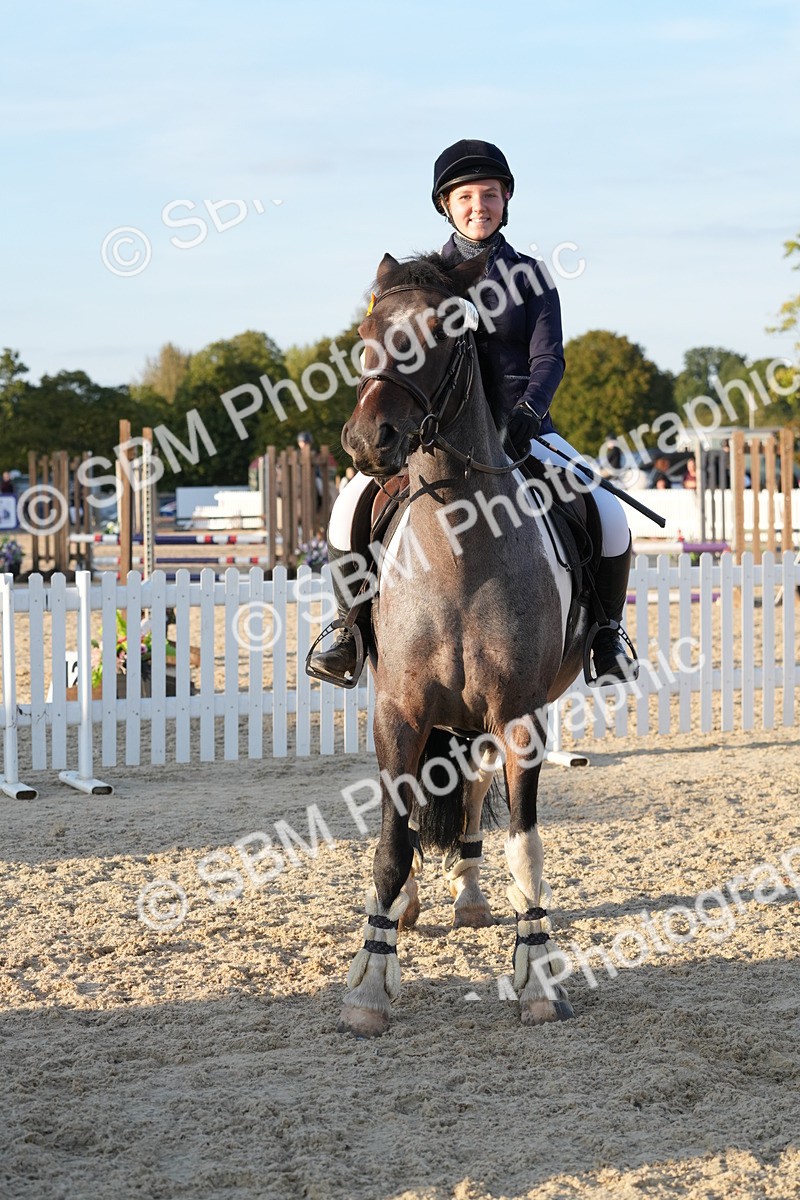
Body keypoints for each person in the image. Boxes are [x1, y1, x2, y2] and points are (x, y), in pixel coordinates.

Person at [309, 139, 637, 686]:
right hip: (432, 434)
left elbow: (548, 356)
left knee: (608, 513)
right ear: (446, 204)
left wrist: (533, 409)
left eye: (489, 194)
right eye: (465, 196)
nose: (477, 205)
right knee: (349, 508)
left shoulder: (530, 274)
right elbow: (389, 353)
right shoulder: (417, 281)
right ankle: (350, 629)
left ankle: (605, 634)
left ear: (506, 200)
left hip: (524, 428)